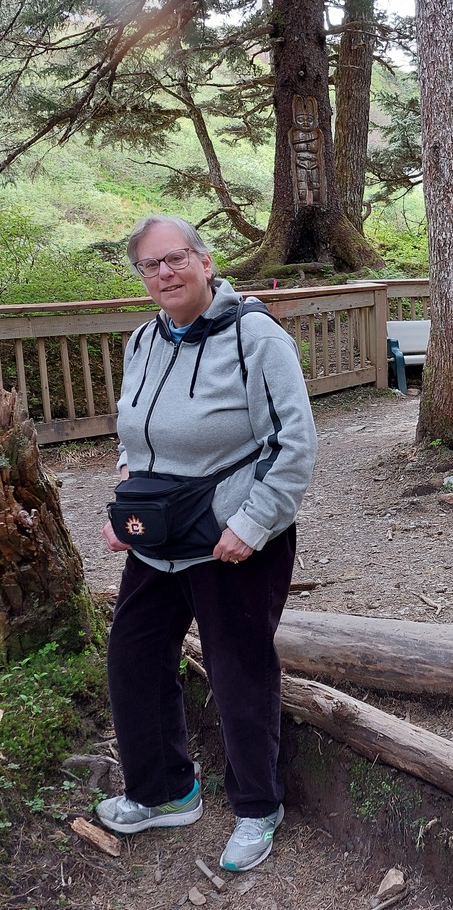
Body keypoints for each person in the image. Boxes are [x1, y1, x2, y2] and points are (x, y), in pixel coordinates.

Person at [96, 216, 318, 872]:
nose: (163, 273)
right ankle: (165, 792)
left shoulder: (256, 337)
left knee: (238, 667)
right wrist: (125, 503)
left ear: (205, 261)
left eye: (174, 260)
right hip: (158, 538)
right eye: (149, 265)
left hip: (233, 541)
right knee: (132, 655)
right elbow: (133, 434)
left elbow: (294, 442)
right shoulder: (142, 340)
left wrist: (250, 527)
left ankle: (258, 806)